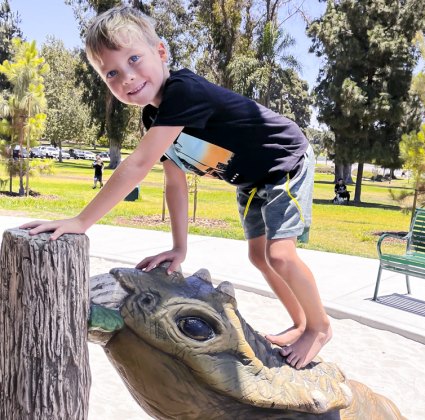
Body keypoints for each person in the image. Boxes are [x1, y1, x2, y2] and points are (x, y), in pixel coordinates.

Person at [20, 6, 330, 369]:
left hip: (283, 161)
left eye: (135, 59)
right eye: (112, 73)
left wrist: (81, 221)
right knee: (259, 257)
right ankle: (300, 323)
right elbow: (174, 181)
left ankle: (319, 327)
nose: (128, 77)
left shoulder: (183, 92)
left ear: (161, 52)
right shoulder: (154, 116)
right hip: (251, 177)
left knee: (279, 255)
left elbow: (137, 165)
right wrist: (179, 248)